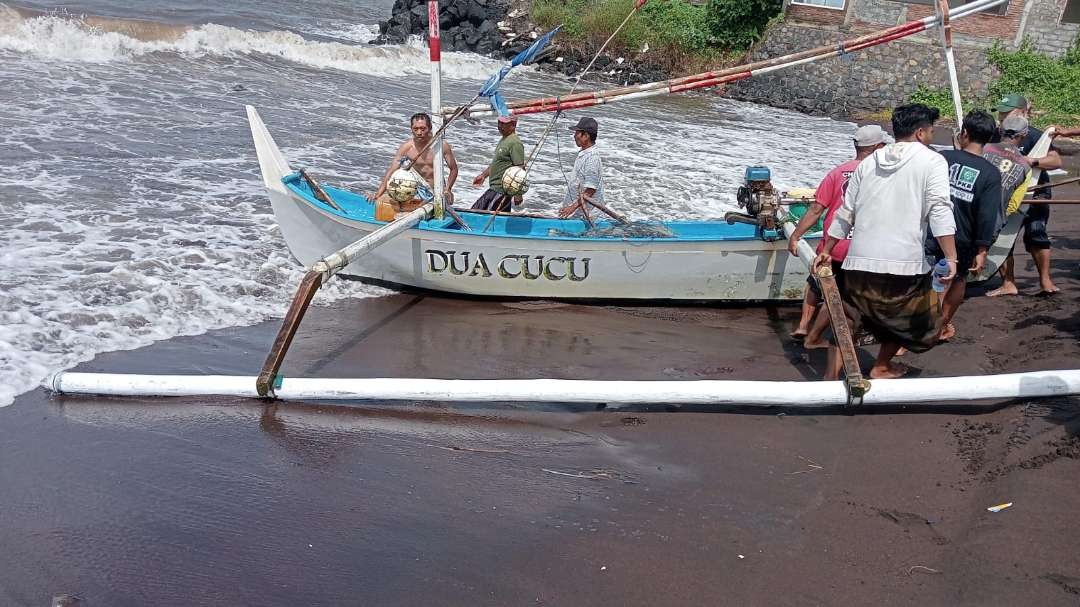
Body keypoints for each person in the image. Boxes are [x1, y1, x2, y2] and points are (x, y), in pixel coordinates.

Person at [815, 103, 959, 379]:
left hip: (858, 260)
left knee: (848, 318)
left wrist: (828, 249)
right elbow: (940, 209)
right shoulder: (933, 161)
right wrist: (950, 256)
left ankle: (830, 377)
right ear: (919, 133)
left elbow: (846, 210)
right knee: (913, 320)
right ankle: (881, 365)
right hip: (903, 264)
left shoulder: (868, 162)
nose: (931, 136)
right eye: (931, 131)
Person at [788, 124, 891, 352]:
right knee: (840, 296)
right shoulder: (881, 175)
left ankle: (804, 326)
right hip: (859, 248)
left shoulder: (837, 173)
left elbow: (817, 208)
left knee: (816, 284)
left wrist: (795, 235)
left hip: (832, 245)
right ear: (877, 147)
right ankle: (814, 336)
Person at [927, 110, 1003, 342]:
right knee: (958, 279)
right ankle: (940, 326)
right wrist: (982, 249)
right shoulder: (991, 173)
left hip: (932, 231)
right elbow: (987, 216)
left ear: (965, 133)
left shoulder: (944, 158)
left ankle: (915, 332)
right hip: (964, 238)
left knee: (927, 281)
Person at [987, 94, 1062, 296]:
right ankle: (1008, 283)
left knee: (1036, 234)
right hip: (1005, 194)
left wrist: (1030, 161)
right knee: (1001, 238)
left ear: (1022, 112)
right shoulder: (995, 135)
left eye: (1007, 112)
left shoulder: (1035, 135)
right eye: (1000, 113)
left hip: (1035, 192)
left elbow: (1055, 161)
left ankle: (1045, 281)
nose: (1002, 117)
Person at [373, 112, 458, 217]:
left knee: (429, 207)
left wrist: (448, 189)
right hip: (418, 190)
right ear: (411, 129)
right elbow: (392, 171)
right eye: (415, 129)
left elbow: (453, 169)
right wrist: (378, 194)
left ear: (430, 128)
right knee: (389, 200)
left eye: (423, 129)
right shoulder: (407, 148)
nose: (419, 132)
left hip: (437, 190)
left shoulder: (441, 146)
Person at [983, 115, 1034, 226]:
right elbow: (1013, 205)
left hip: (967, 214)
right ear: (1025, 134)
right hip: (992, 222)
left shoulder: (983, 149)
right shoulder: (1025, 167)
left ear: (1000, 130)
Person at [472, 115, 525, 212]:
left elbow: (519, 169)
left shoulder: (515, 143)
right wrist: (484, 175)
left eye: (504, 124)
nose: (500, 126)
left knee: (479, 213)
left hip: (501, 190)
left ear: (513, 125)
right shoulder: (504, 139)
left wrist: (518, 194)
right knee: (478, 211)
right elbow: (497, 162)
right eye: (499, 123)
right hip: (494, 188)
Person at [557, 117, 605, 219]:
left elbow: (590, 190)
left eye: (577, 133)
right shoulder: (585, 153)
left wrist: (571, 208)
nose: (574, 136)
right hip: (578, 213)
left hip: (587, 216)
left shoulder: (592, 158)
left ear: (586, 136)